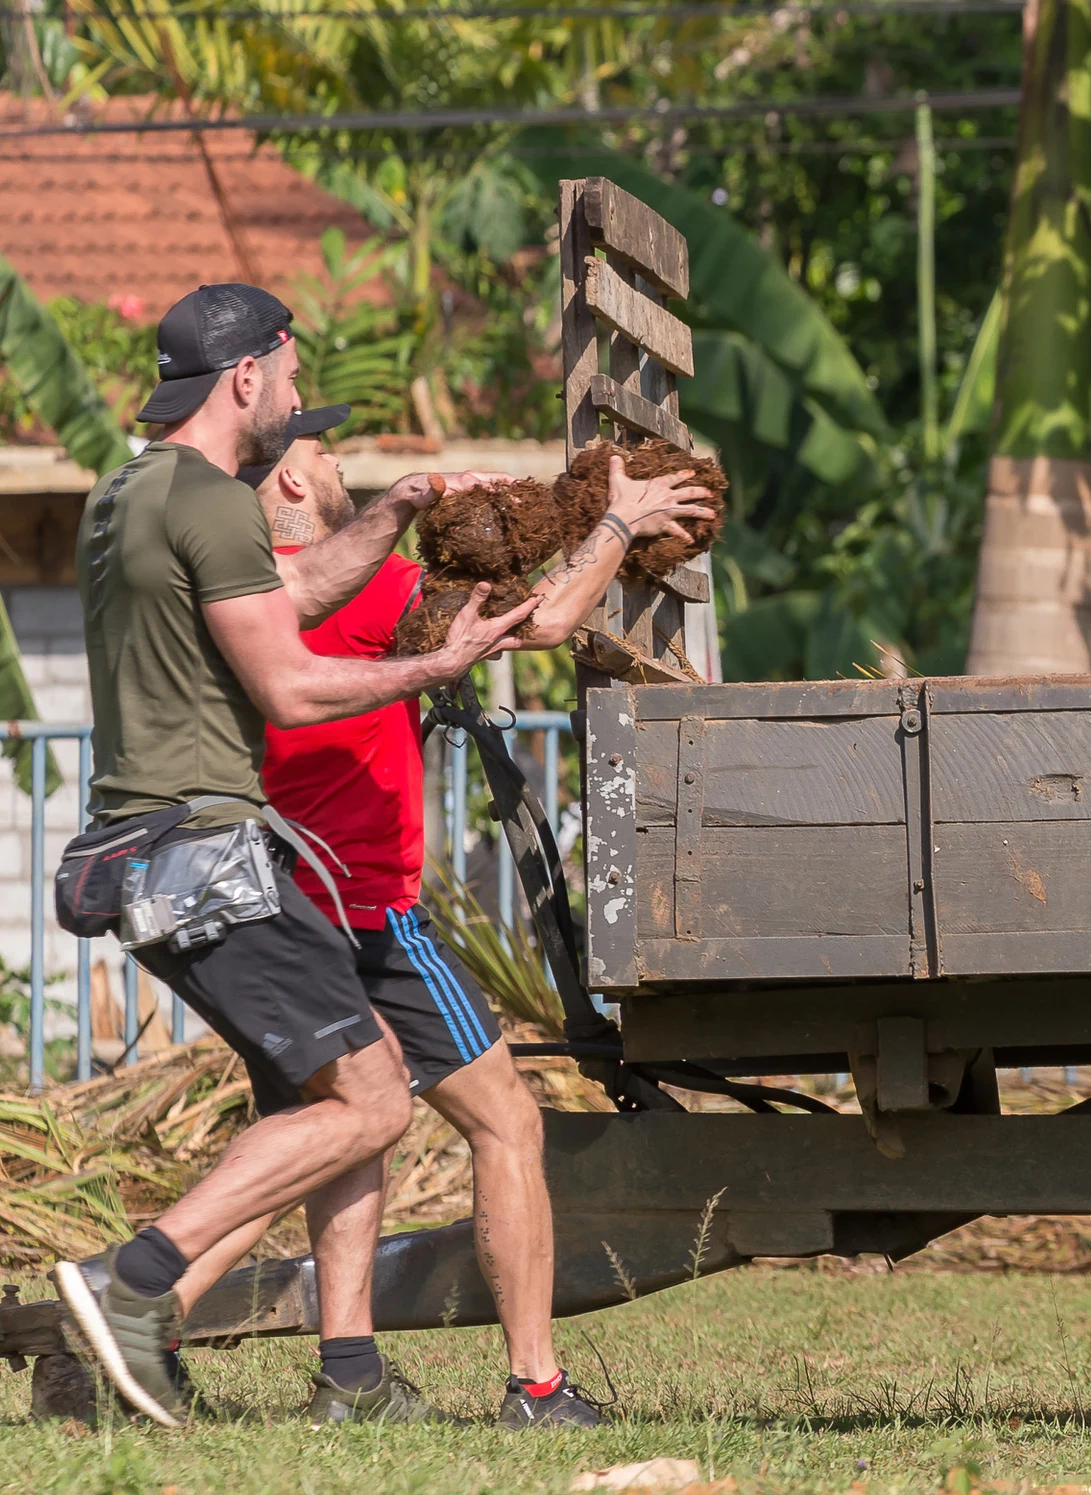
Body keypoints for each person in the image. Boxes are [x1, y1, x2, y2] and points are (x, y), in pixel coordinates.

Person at [163, 406, 717, 1428]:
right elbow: (539, 624)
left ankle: (279, 1358)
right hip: (369, 914)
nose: (336, 464)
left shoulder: (239, 607)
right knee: (503, 1120)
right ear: (289, 486)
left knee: (323, 1135)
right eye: (322, 454)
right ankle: (536, 1385)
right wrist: (616, 522)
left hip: (284, 908)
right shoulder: (366, 583)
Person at [51, 282, 542, 1431]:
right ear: (245, 378)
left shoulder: (133, 491)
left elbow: (286, 594)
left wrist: (401, 507)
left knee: (340, 1099)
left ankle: (265, 1349)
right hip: (206, 846)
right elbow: (288, 679)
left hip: (149, 848)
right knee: (371, 1102)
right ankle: (132, 1285)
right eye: (291, 375)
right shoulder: (215, 499)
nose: (297, 399)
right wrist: (438, 664)